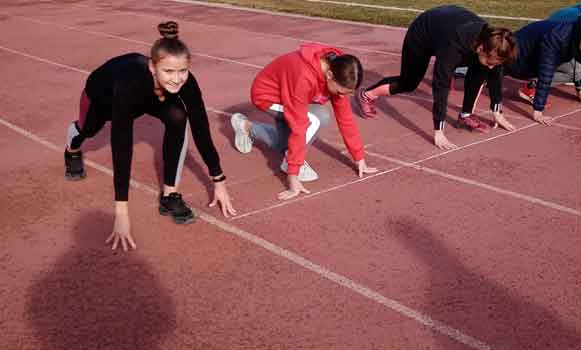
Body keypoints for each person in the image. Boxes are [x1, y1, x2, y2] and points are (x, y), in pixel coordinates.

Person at [63, 22, 236, 251]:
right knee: (88, 131)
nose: (176, 79)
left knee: (177, 117)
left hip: (154, 94)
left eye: (182, 71)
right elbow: (121, 145)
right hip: (102, 98)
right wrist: (121, 213)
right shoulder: (128, 82)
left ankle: (170, 195)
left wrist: (219, 180)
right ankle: (72, 149)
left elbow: (201, 130)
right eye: (168, 71)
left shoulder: (185, 82)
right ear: (153, 68)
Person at [356, 5, 518, 150]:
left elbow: (496, 72)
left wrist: (497, 110)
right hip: (422, 34)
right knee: (409, 82)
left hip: (448, 25)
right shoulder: (452, 48)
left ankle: (466, 115)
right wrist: (438, 131)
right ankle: (367, 95)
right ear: (481, 48)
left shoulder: (493, 42)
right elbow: (441, 87)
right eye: (490, 61)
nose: (492, 65)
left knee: (480, 70)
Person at [230, 43, 378, 201]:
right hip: (267, 96)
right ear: (329, 75)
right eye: (341, 92)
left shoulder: (340, 69)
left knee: (284, 145)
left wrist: (359, 158)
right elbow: (300, 126)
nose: (342, 96)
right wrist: (293, 175)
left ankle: (246, 127)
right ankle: (290, 160)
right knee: (318, 117)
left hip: (290, 94)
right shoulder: (304, 76)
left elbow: (345, 117)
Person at [495, 15, 581, 125]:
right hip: (517, 59)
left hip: (533, 55)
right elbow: (546, 72)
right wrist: (538, 110)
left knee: (578, 70)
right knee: (495, 70)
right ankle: (493, 70)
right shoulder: (557, 37)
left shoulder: (579, 36)